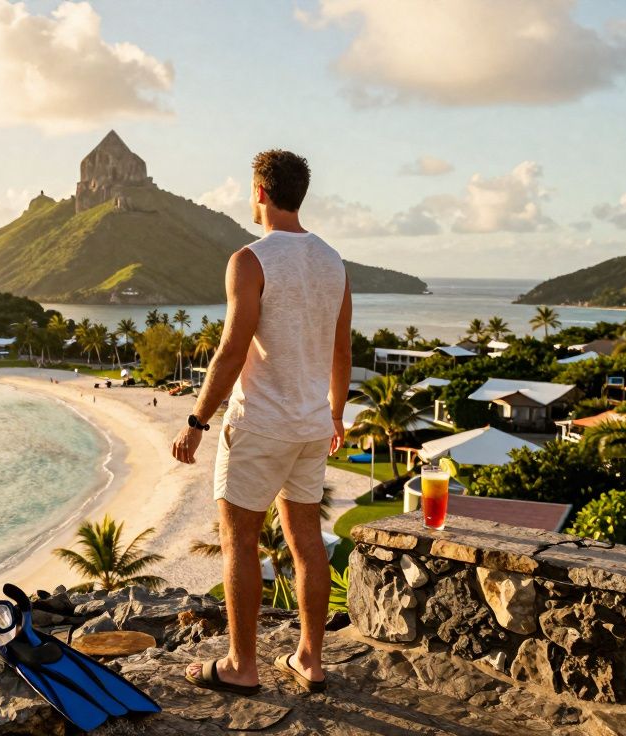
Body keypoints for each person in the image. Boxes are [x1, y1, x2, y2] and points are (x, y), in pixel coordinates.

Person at [172, 150, 351, 696]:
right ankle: (310, 659)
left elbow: (230, 350)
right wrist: (337, 413)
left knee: (239, 541)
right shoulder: (332, 261)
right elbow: (342, 351)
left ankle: (241, 665)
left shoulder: (249, 260)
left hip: (260, 426)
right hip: (311, 425)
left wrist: (196, 421)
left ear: (260, 193)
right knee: (306, 543)